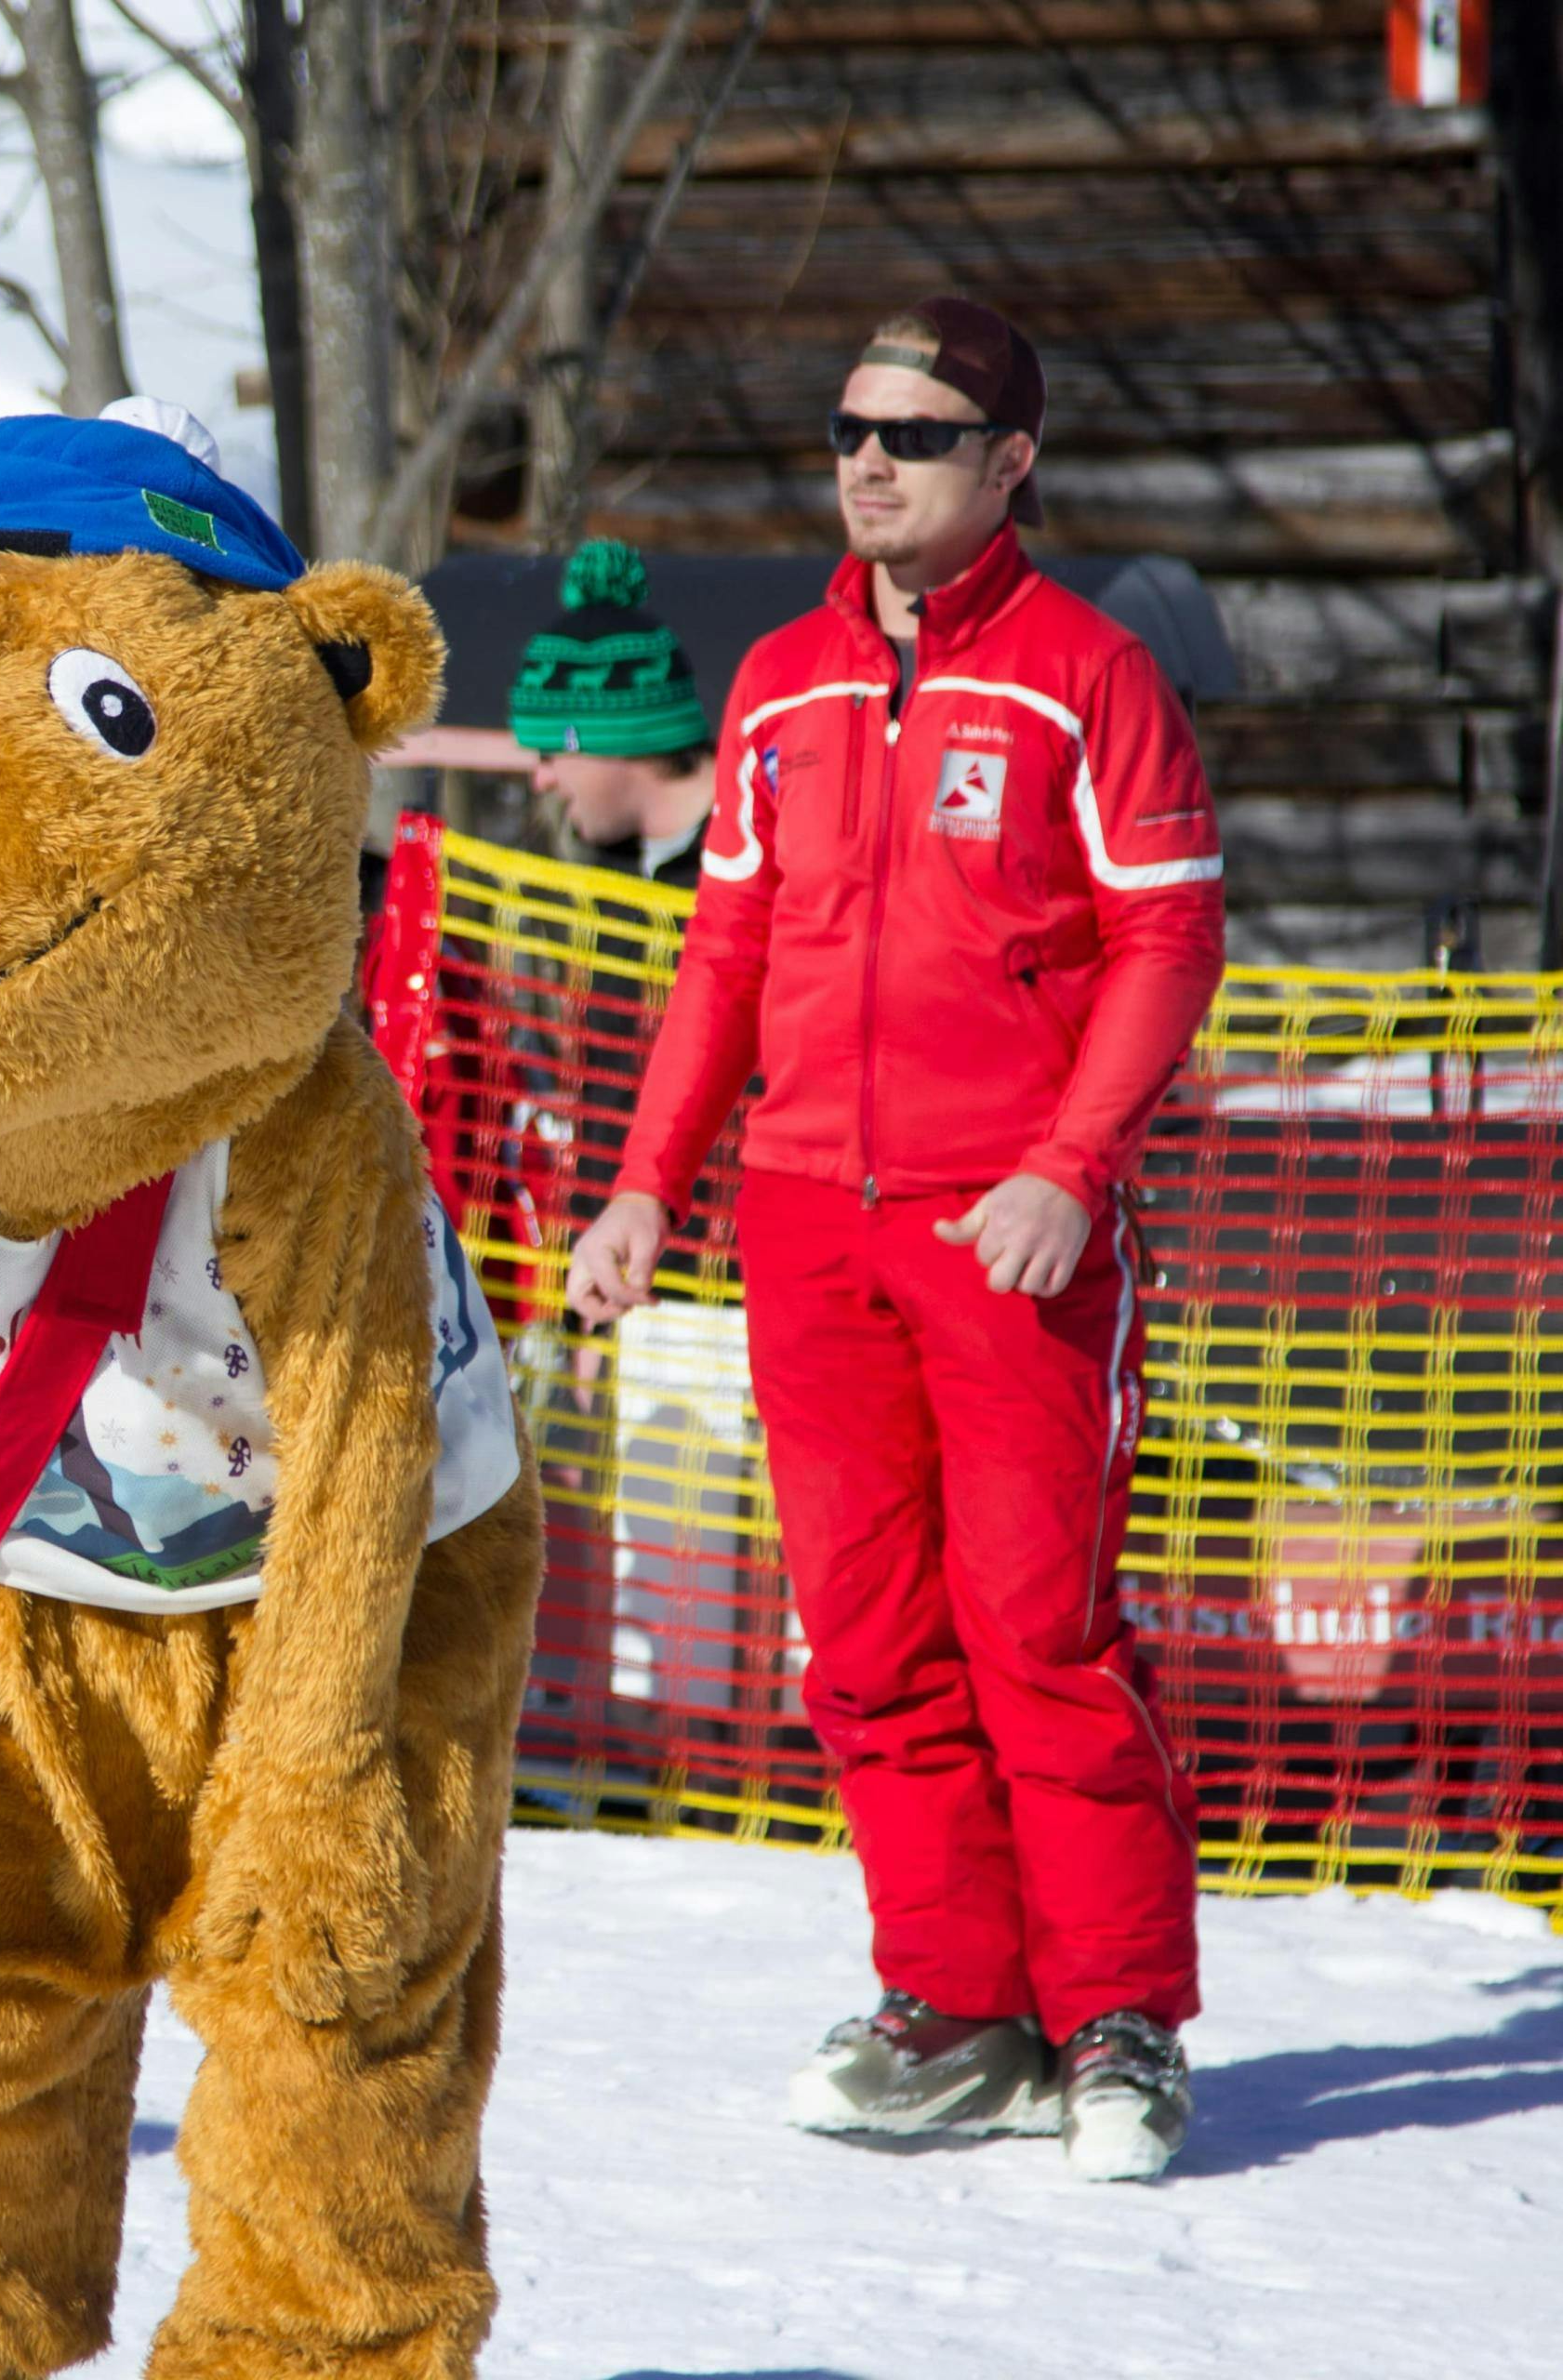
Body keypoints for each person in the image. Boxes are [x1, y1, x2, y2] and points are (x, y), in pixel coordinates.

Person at [563, 295, 1225, 2182]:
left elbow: (1170, 942)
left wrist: (1071, 1163)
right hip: (804, 1222)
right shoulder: (775, 680)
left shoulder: (1089, 674)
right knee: (861, 1641)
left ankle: (1114, 2018)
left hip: (1008, 1223)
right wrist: (642, 1181)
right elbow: (728, 954)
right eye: (851, 427)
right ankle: (960, 2002)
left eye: (916, 434)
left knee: (1039, 1627)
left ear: (1009, 462)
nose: (869, 459)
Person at [510, 537, 716, 890]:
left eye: (549, 754)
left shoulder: (761, 859)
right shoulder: (604, 868)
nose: (540, 780)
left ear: (616, 739)